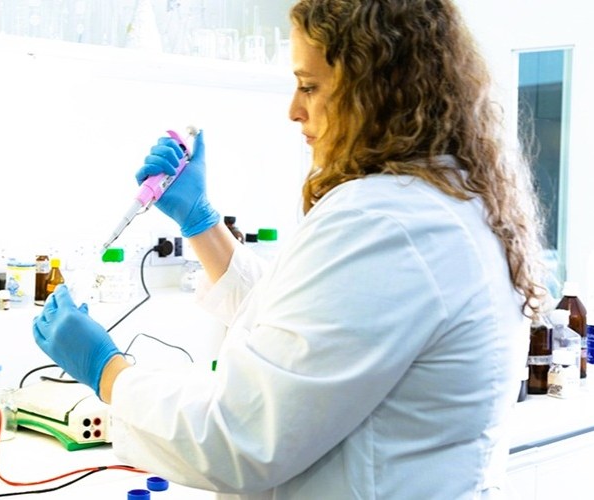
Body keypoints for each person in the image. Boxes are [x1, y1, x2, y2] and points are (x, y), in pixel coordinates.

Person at [33, 0, 547, 498]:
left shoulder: (385, 222)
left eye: (310, 86)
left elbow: (240, 438)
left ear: (377, 92)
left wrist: (107, 371)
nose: (294, 110)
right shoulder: (443, 201)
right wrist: (201, 223)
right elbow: (311, 323)